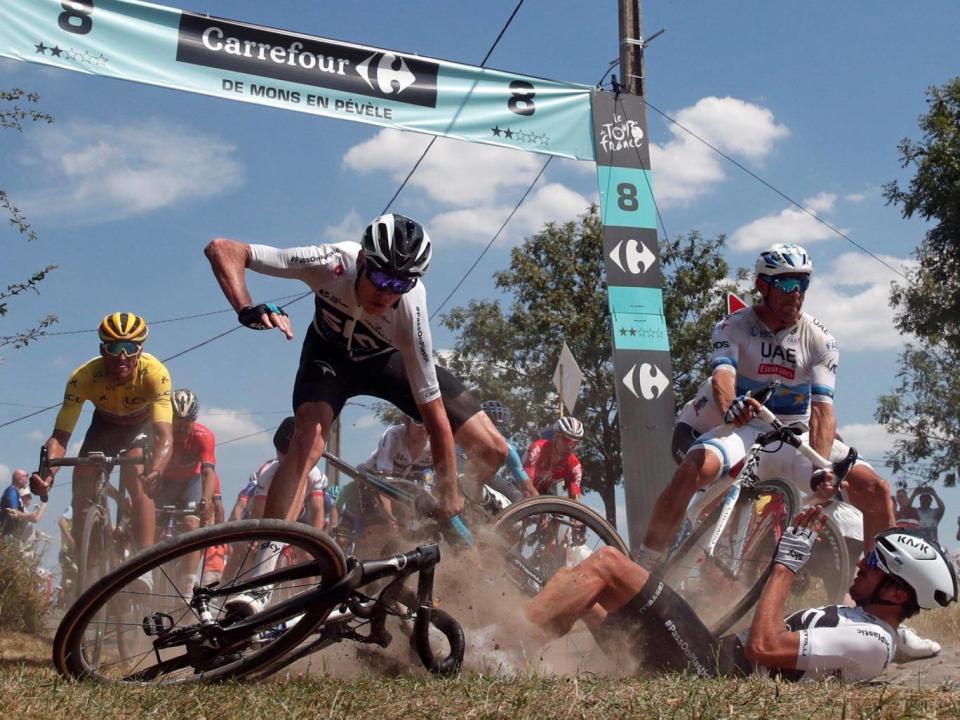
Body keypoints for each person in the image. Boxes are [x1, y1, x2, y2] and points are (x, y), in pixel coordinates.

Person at [204, 214, 508, 595]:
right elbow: (224, 249)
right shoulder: (331, 262)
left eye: (400, 283)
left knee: (493, 449)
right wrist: (245, 306)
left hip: (387, 363)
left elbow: (435, 416)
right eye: (381, 278)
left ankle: (455, 510)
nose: (387, 292)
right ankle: (260, 584)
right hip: (329, 359)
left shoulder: (410, 310)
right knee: (308, 443)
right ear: (362, 261)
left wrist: (450, 489)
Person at [642, 244, 895, 567]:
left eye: (803, 285)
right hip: (746, 428)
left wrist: (820, 468)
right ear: (763, 286)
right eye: (787, 285)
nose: (796, 294)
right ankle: (645, 565)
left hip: (793, 434)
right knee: (692, 469)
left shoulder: (819, 339)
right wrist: (732, 406)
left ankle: (877, 586)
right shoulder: (732, 326)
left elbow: (822, 411)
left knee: (877, 490)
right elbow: (723, 376)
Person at [526, 508, 958, 682]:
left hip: (713, 670)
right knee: (588, 594)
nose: (862, 564)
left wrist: (785, 564)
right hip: (710, 656)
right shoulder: (874, 631)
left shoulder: (869, 640)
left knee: (606, 565)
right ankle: (517, 642)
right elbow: (893, 641)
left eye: (874, 566)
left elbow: (764, 646)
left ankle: (501, 644)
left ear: (898, 594)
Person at [30, 312, 173, 562]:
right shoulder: (83, 377)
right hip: (105, 425)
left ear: (139, 350)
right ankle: (91, 563)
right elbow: (60, 437)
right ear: (102, 348)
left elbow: (164, 436)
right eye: (114, 347)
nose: (122, 356)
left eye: (129, 347)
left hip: (141, 424)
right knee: (83, 478)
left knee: (135, 471)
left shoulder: (154, 373)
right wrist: (48, 475)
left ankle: (145, 562)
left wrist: (157, 471)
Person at [155, 389, 221, 532]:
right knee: (152, 527)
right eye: (177, 421)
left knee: (192, 526)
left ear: (194, 420)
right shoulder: (158, 435)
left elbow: (209, 472)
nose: (181, 427)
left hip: (191, 483)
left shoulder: (204, 436)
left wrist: (207, 499)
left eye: (187, 422)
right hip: (163, 483)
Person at [480, 400, 535, 502]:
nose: (496, 434)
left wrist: (541, 507)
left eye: (500, 430)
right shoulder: (464, 437)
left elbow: (527, 485)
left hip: (487, 478)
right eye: (492, 428)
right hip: (459, 476)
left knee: (518, 498)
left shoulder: (507, 448)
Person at [522, 416, 584, 500]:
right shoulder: (537, 449)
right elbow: (527, 485)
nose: (570, 446)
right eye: (567, 440)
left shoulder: (574, 466)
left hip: (545, 490)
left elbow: (575, 499)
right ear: (556, 436)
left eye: (575, 443)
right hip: (522, 484)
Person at [0, 468, 30, 537]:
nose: (27, 480)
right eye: (26, 477)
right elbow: (13, 513)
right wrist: (30, 517)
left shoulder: (14, 492)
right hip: (7, 533)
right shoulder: (12, 491)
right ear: (19, 479)